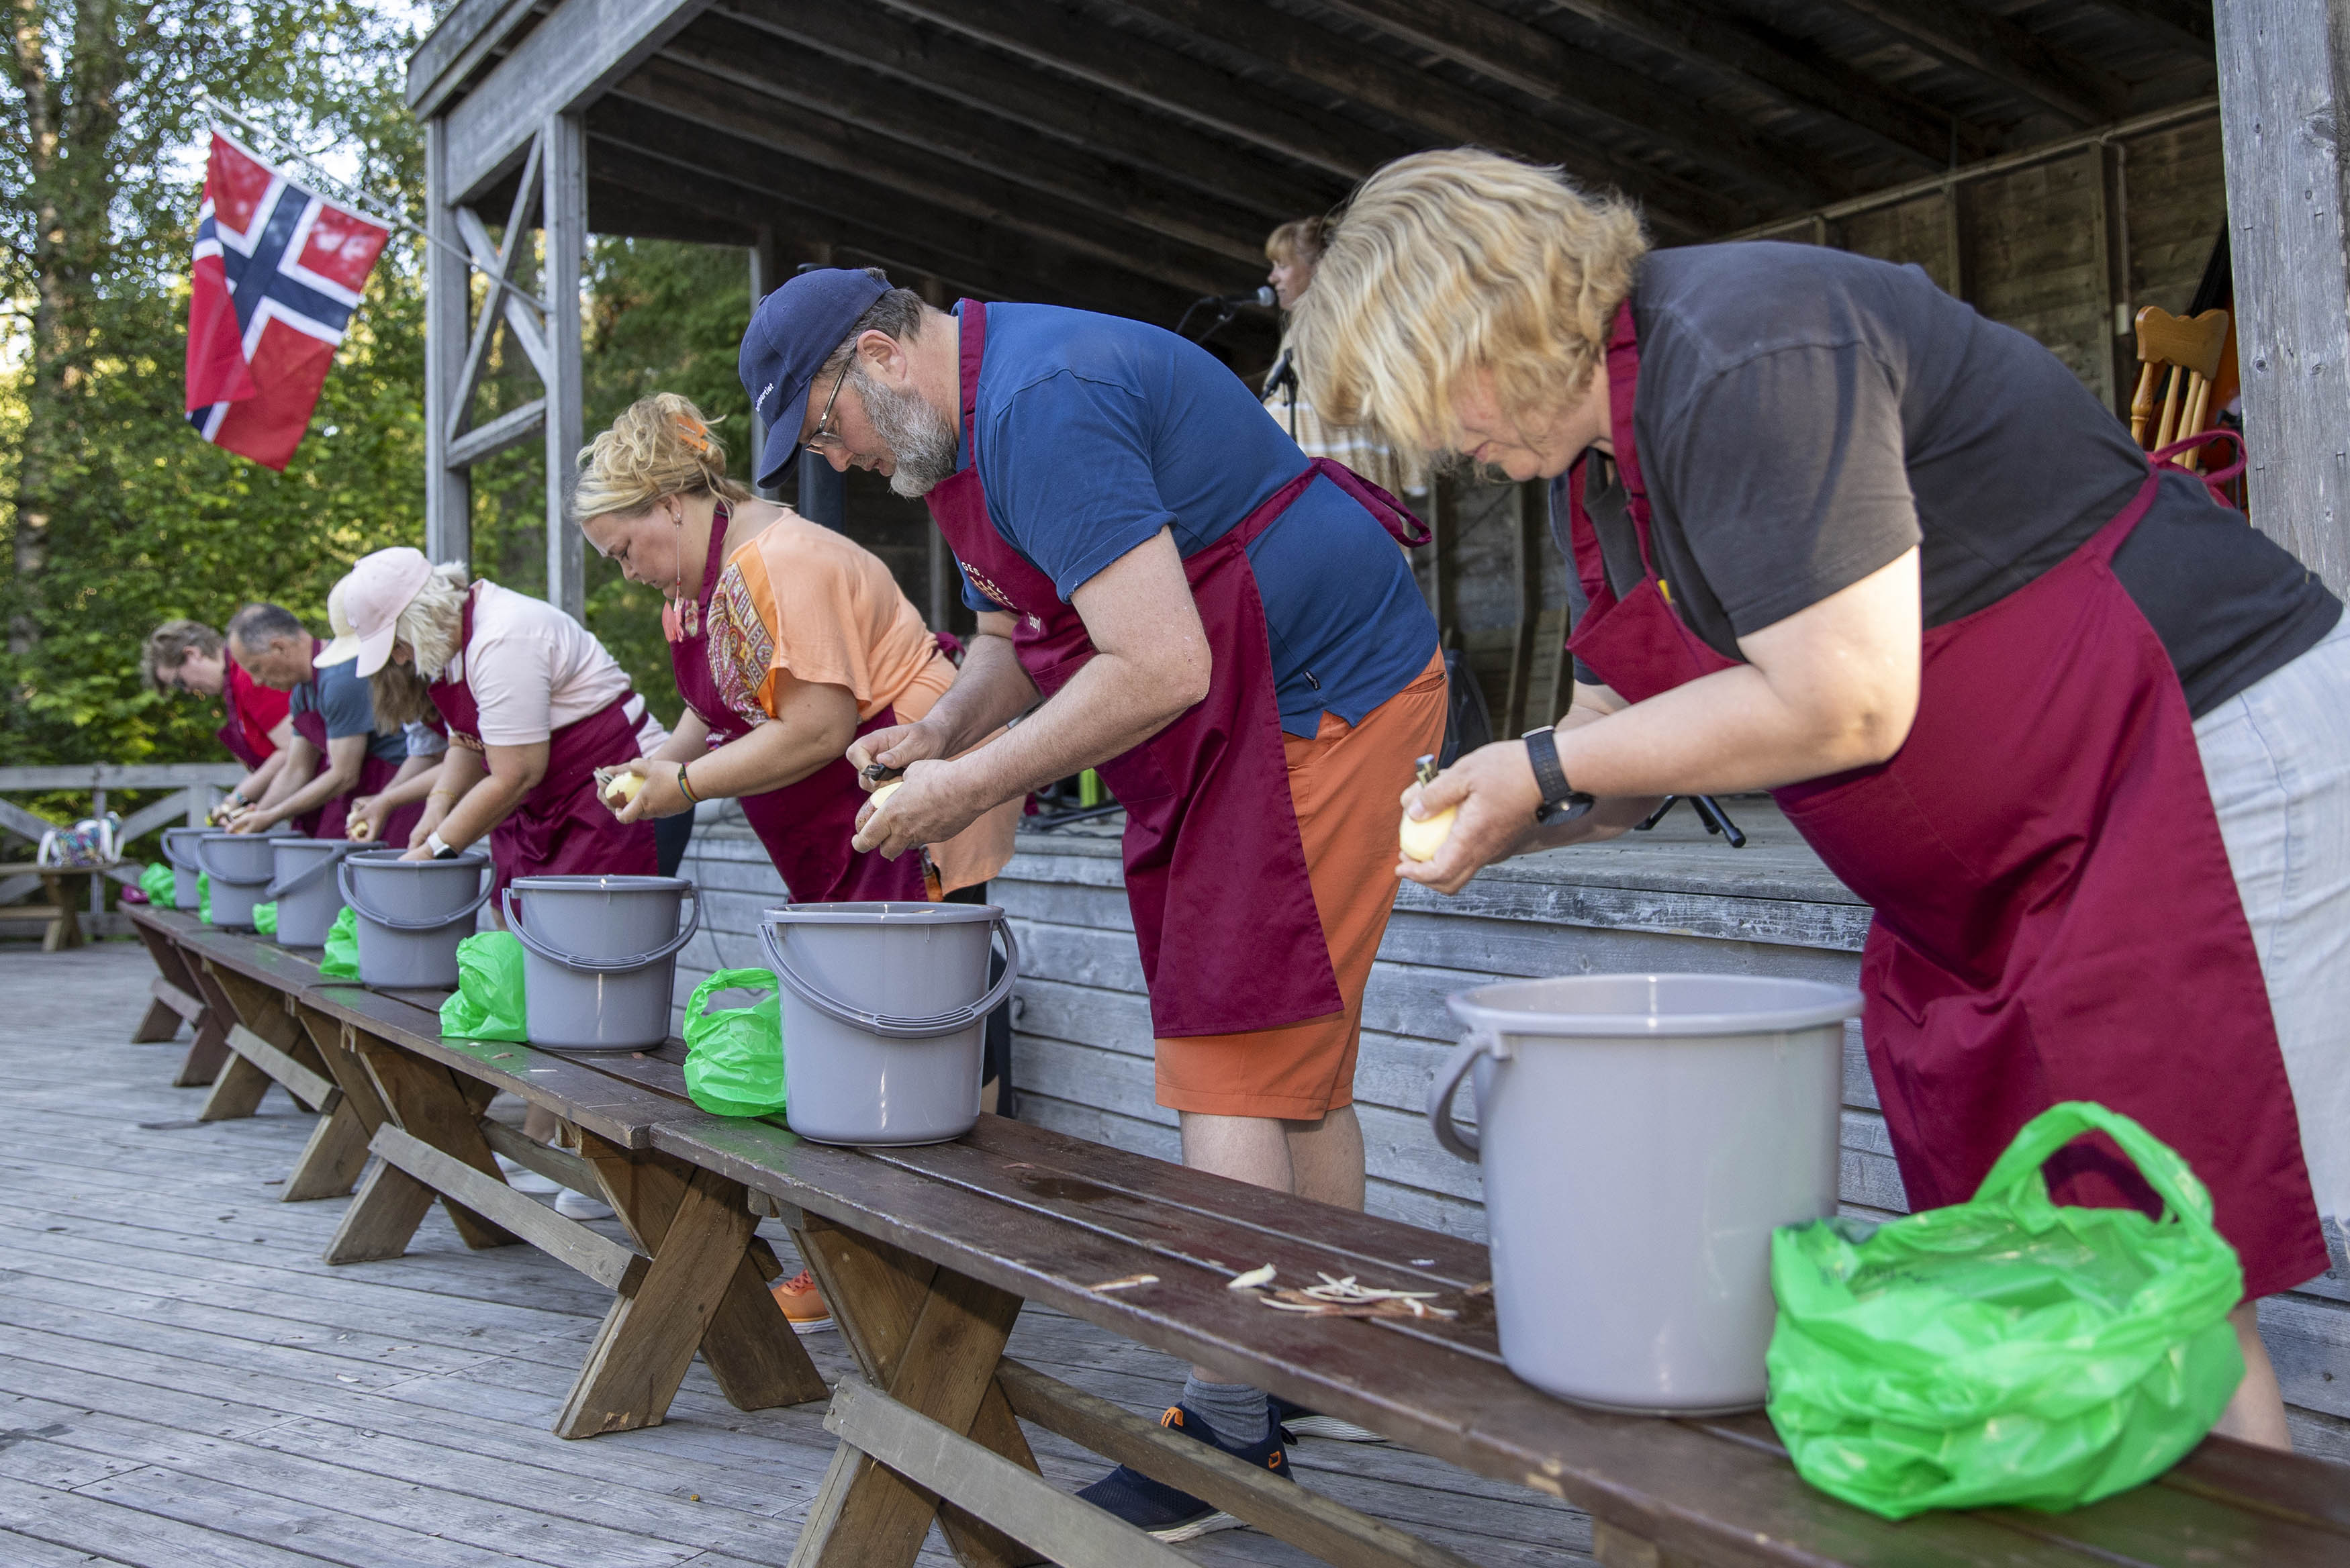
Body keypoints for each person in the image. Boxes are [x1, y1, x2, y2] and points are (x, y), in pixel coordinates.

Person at [1291, 147, 2350, 1451]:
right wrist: (1505, 807)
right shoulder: (1603, 468)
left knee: (2161, 1267)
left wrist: (1544, 773)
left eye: (1428, 397)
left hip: (2187, 761)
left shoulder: (1747, 351)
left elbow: (1845, 699)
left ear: (1493, 313)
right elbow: (1620, 727)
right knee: (2070, 1264)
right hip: (2016, 864)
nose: (1443, 446)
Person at [740, 266, 1446, 1534]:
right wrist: (942, 733)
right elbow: (1016, 631)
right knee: (1292, 1057)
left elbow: (1160, 661)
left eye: (823, 426)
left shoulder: (1037, 406)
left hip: (1315, 698)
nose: (832, 462)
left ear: (875, 358)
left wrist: (962, 795)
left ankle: (1231, 1434)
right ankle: (1324, 1360)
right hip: (1232, 715)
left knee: (1230, 1057)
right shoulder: (951, 445)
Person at [571, 392, 1019, 912]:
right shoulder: (689, 594)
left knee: (928, 977)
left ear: (669, 506)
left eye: (624, 551)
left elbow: (819, 730)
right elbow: (710, 706)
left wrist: (687, 785)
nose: (627, 573)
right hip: (830, 813)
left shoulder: (778, 562)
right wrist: (658, 767)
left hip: (906, 781)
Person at [317, 548, 665, 899]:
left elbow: (514, 775)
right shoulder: (454, 647)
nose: (399, 659)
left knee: (597, 945)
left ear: (418, 620)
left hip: (620, 795)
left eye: (397, 645)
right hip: (558, 804)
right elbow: (466, 744)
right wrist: (438, 805)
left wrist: (434, 850)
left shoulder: (502, 637)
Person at [216, 601, 418, 843]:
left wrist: (272, 816)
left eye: (256, 668)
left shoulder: (338, 680)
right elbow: (296, 769)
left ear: (279, 648)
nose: (257, 681)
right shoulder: (302, 691)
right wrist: (256, 815)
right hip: (363, 796)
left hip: (403, 791)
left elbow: (344, 775)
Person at [1260, 216, 1421, 501]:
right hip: (1316, 500)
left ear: (1319, 267)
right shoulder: (1298, 331)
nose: (1272, 278)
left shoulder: (1352, 328)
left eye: (1282, 266)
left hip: (1345, 499)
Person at [142, 618, 293, 816]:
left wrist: (237, 802)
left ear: (193, 654)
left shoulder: (247, 676)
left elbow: (291, 750)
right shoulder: (233, 685)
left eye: (179, 682)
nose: (187, 690)